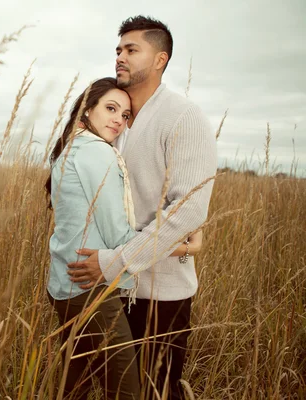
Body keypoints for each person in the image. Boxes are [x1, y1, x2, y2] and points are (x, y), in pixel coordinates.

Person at [66, 16, 218, 400]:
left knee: (157, 391)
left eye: (132, 50)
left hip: (159, 295)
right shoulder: (117, 118)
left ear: (159, 59)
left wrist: (115, 261)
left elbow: (186, 211)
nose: (120, 57)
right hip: (106, 288)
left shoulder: (184, 117)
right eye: (118, 49)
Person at [45, 77, 202, 400]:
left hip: (64, 285)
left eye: (126, 115)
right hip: (89, 291)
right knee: (127, 391)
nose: (119, 120)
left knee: (75, 386)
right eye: (111, 108)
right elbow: (118, 234)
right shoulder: (98, 153)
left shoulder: (70, 148)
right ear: (87, 109)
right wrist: (187, 246)